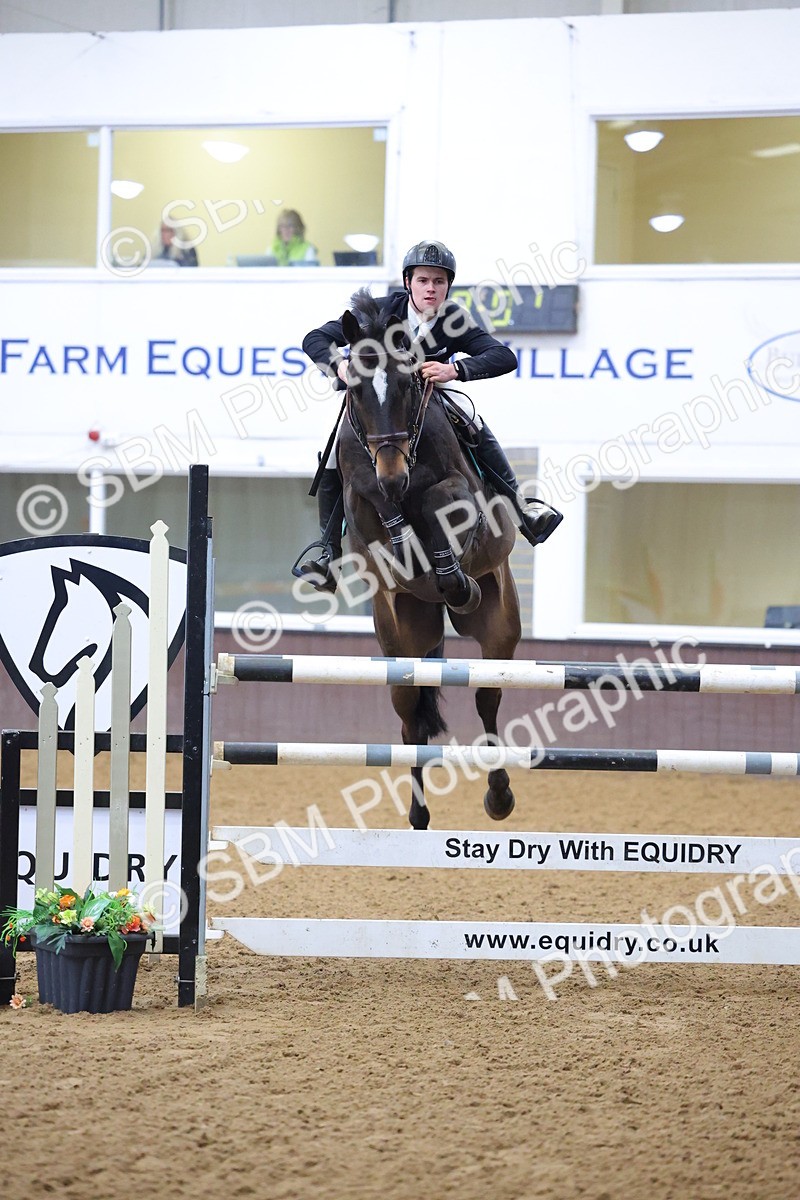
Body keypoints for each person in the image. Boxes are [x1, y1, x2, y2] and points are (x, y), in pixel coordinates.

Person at [295, 239, 563, 593]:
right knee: (332, 455)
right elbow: (314, 338)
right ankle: (328, 549)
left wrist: (457, 369)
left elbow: (503, 356)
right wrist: (339, 364)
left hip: (428, 401)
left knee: (471, 416)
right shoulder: (377, 310)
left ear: (448, 286)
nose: (431, 289)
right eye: (423, 280)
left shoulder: (453, 320)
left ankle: (521, 506)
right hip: (378, 404)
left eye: (439, 281)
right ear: (408, 282)